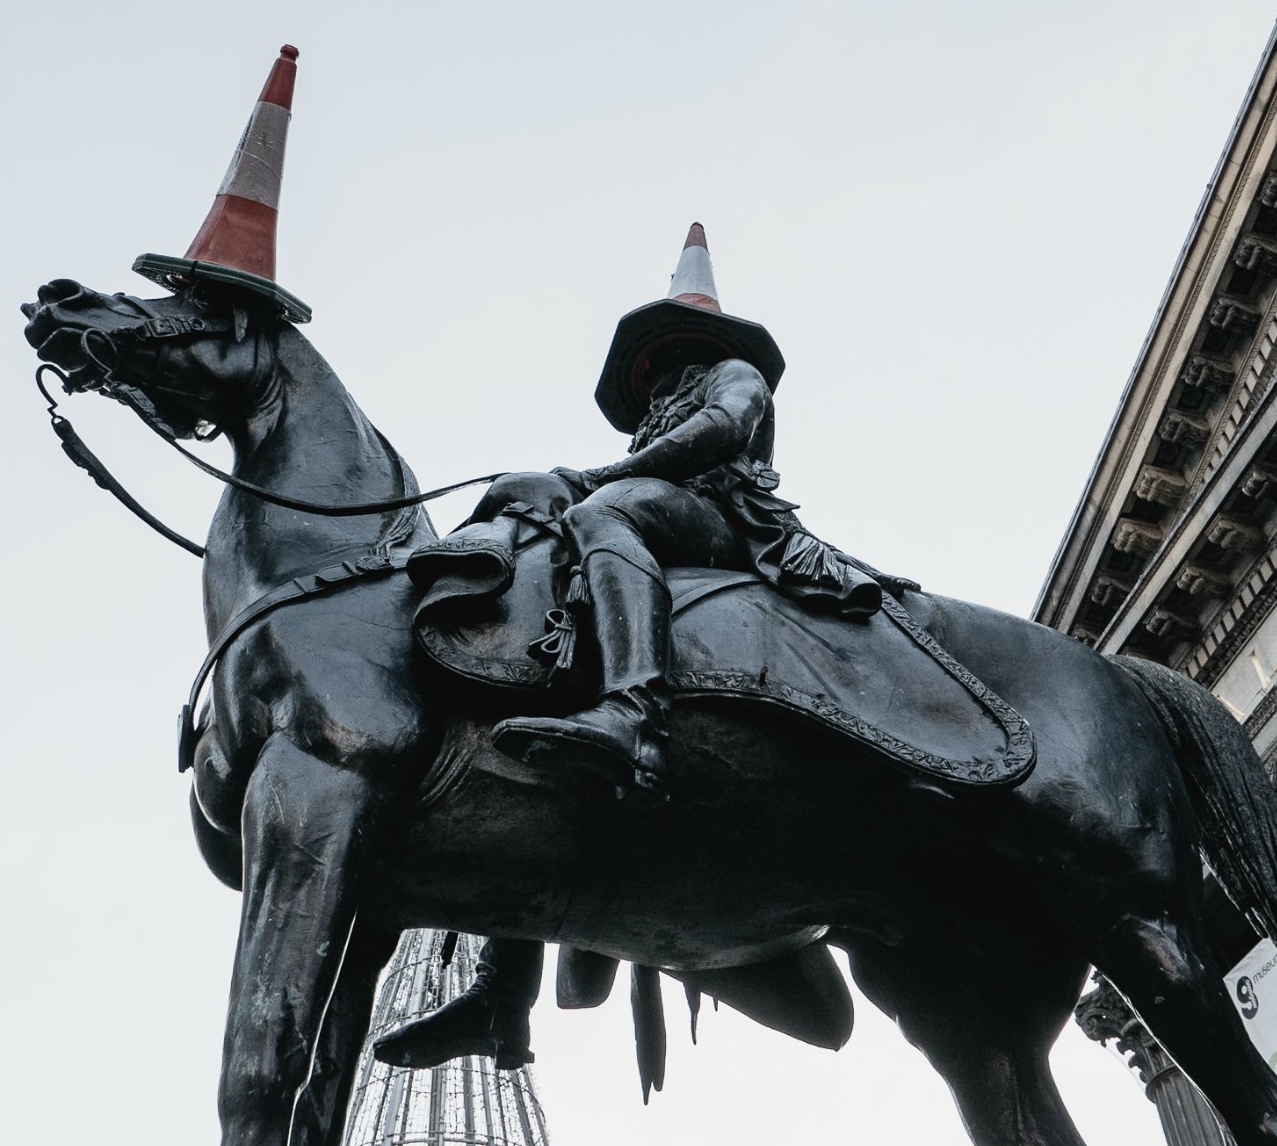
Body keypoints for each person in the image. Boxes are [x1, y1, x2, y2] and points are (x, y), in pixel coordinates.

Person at [373, 223, 902, 1073]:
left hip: (726, 530)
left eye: (664, 355)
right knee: (530, 628)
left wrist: (598, 480)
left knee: (598, 516)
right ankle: (501, 999)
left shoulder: (731, 380)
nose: (655, 371)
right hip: (648, 528)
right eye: (648, 364)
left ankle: (634, 712)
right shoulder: (649, 431)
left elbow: (720, 433)